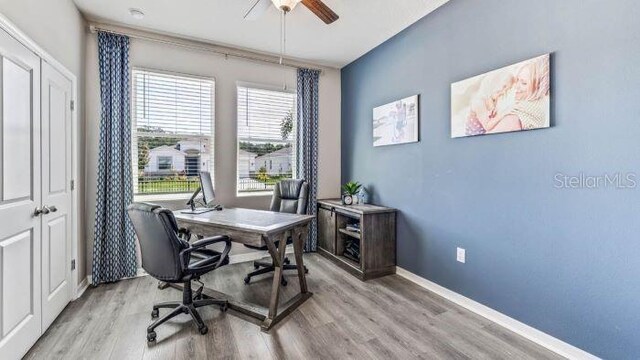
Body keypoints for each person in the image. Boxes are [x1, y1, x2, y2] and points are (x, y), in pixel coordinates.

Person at [489, 57, 550, 133]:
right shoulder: (534, 103)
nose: (516, 86)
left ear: (538, 88)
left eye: (524, 83)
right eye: (517, 80)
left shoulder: (516, 115)